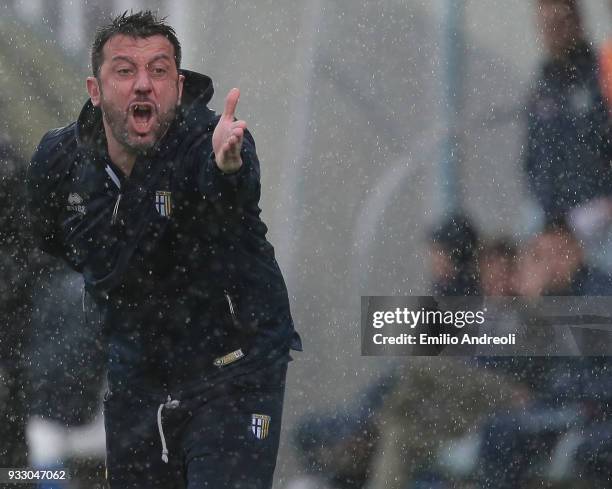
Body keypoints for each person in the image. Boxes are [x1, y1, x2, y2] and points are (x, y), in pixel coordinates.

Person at [26, 11, 301, 489]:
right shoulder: (59, 160)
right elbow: (53, 241)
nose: (143, 85)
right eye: (125, 70)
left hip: (235, 372)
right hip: (138, 376)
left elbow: (231, 188)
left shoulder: (210, 141)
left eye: (158, 70)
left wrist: (226, 165)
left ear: (177, 85)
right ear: (95, 90)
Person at [523, 0, 612, 221]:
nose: (553, 33)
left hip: (596, 209)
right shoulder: (543, 83)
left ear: (577, 23)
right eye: (546, 25)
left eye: (559, 23)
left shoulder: (601, 74)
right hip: (550, 211)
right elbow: (533, 153)